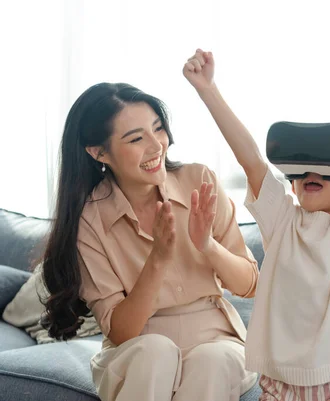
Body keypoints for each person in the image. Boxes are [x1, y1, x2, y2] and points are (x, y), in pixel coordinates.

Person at [184, 48, 330, 400]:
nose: (312, 174)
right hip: (279, 384)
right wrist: (208, 90)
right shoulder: (283, 222)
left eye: (327, 170)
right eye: (302, 169)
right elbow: (251, 160)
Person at [41, 64, 259, 400]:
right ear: (98, 152)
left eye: (158, 129)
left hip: (218, 341)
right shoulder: (90, 220)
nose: (156, 146)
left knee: (210, 361)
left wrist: (209, 246)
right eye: (136, 138)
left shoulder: (199, 180)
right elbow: (123, 331)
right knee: (156, 352)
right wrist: (157, 259)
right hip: (138, 350)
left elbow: (249, 284)